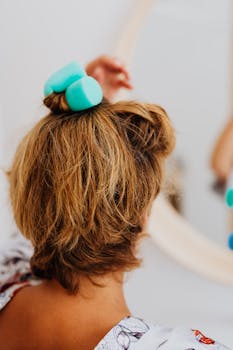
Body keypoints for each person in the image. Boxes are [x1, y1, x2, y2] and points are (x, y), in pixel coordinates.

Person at [0, 56, 230, 349]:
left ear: (27, 199)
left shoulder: (6, 274)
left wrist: (89, 134)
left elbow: (52, 198)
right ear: (144, 215)